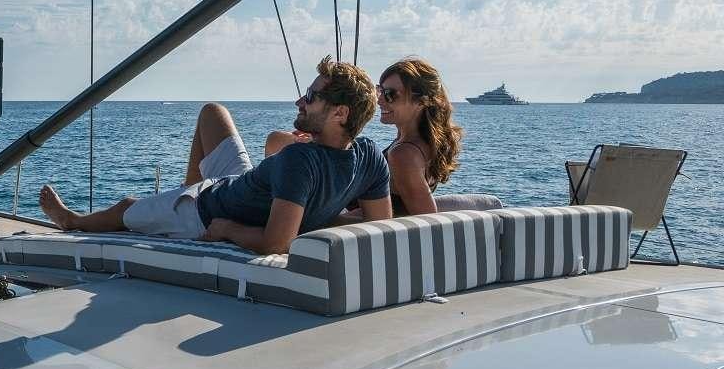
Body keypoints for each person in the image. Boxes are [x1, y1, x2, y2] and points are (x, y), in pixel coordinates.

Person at [38, 56, 392, 255]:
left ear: (340, 114)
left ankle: (72, 221)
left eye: (311, 97)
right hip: (239, 184)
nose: (300, 101)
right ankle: (180, 195)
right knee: (212, 113)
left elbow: (277, 244)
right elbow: (381, 228)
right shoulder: (370, 156)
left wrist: (227, 228)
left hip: (209, 211)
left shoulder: (301, 160)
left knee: (126, 207)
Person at [376, 58, 463, 216]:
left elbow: (427, 221)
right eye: (380, 91)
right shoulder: (417, 143)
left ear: (422, 101)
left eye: (389, 94)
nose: (379, 100)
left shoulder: (404, 154)